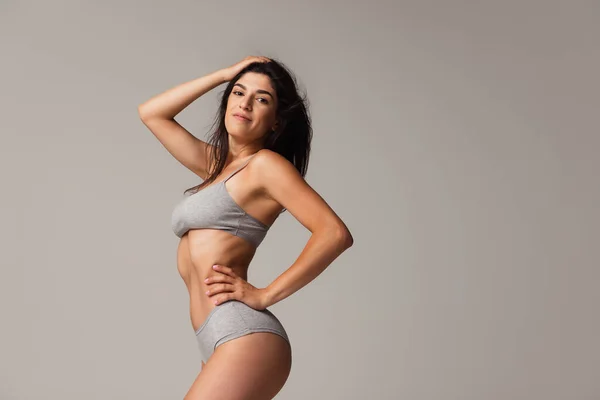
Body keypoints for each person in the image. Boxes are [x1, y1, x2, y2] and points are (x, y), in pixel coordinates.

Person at [137, 55, 354, 400]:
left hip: (243, 335)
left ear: (275, 123)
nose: (245, 103)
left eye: (262, 99)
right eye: (238, 93)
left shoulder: (266, 166)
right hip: (213, 339)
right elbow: (152, 113)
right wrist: (225, 74)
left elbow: (335, 234)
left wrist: (265, 294)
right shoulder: (216, 167)